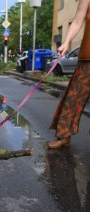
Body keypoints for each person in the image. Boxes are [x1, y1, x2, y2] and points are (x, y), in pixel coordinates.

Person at [48, 0, 90, 149]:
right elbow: (77, 21)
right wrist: (66, 42)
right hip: (87, 59)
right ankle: (64, 135)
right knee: (73, 98)